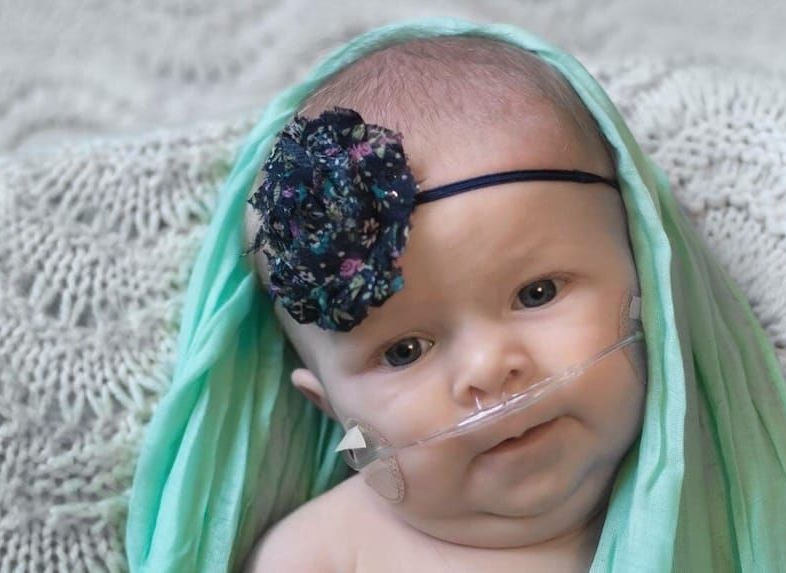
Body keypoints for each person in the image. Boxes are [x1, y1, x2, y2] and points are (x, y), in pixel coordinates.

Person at [244, 35, 646, 572]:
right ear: (335, 414)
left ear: (647, 277)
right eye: (404, 351)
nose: (487, 369)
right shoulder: (321, 556)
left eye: (537, 293)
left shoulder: (717, 491)